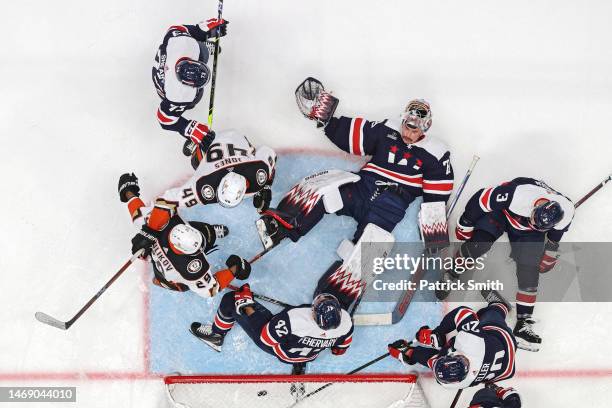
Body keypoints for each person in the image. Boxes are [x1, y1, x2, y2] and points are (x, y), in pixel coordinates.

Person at [256, 77, 453, 311]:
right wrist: (326, 119)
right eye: (407, 125)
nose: (408, 132)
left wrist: (437, 255)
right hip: (361, 189)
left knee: (368, 253)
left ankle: (333, 301)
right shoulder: (388, 129)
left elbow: (435, 205)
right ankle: (283, 225)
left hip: (388, 208)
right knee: (321, 186)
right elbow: (356, 135)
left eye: (415, 128)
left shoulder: (437, 153)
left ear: (426, 127)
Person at [437, 177, 575, 351]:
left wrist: (550, 251)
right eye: (532, 218)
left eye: (539, 226)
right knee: (478, 245)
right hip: (502, 214)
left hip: (528, 234)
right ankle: (452, 273)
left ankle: (523, 322)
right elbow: (481, 199)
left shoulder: (567, 212)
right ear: (535, 208)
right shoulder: (516, 195)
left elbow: (556, 233)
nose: (532, 222)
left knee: (529, 271)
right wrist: (465, 223)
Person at [118, 173, 250, 297]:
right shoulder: (193, 273)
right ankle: (162, 282)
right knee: (182, 286)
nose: (200, 251)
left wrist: (128, 192)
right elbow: (211, 290)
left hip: (158, 254)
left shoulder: (160, 223)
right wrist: (235, 269)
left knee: (201, 233)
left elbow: (138, 215)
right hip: (170, 274)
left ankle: (160, 277)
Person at [133, 130, 276, 242]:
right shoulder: (257, 175)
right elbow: (168, 200)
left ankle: (201, 141)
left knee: (199, 164)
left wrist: (265, 187)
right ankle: (200, 143)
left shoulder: (258, 174)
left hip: (235, 138)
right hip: (226, 141)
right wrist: (150, 232)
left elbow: (270, 153)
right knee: (197, 163)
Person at [191, 288, 353, 372]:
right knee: (298, 342)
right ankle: (299, 364)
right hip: (309, 356)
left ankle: (215, 335)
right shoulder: (346, 323)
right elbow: (339, 351)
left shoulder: (293, 319)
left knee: (230, 299)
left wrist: (245, 304)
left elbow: (265, 339)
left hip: (282, 351)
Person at [388, 291, 516, 389]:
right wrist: (438, 332)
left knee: (476, 321)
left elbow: (432, 360)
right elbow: (463, 313)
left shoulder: (448, 381)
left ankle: (440, 339)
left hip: (503, 372)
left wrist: (408, 352)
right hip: (503, 341)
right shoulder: (471, 343)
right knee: (490, 316)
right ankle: (500, 305)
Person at [152, 19, 228, 156]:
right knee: (194, 98)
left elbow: (175, 28)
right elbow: (163, 118)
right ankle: (203, 48)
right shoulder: (177, 94)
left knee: (201, 49)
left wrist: (202, 31)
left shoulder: (182, 44)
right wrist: (188, 128)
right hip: (164, 85)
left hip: (168, 61)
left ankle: (203, 46)